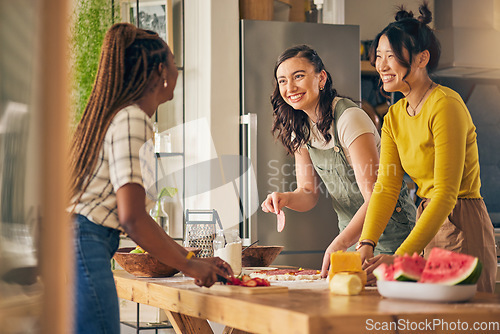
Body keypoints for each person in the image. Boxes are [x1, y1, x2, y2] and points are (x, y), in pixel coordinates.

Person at [69, 23, 233, 334]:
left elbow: (132, 215)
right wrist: (190, 264)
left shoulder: (118, 116)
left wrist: (190, 259)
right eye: (174, 61)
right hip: (86, 245)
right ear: (161, 71)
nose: (178, 69)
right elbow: (133, 218)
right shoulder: (132, 118)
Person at [357, 3, 497, 293]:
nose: (381, 66)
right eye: (378, 56)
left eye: (391, 57)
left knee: (461, 322)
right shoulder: (394, 117)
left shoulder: (445, 105)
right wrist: (366, 243)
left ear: (422, 59)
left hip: (461, 219)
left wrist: (398, 257)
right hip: (427, 223)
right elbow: (386, 186)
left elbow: (445, 194)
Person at [260, 45, 416, 278]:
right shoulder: (300, 128)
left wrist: (339, 243)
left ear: (321, 78)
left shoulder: (349, 119)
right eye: (282, 81)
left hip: (393, 238)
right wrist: (286, 199)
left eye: (298, 76)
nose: (290, 87)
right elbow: (308, 192)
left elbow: (375, 196)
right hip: (352, 241)